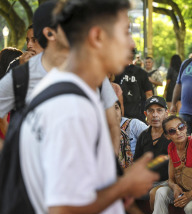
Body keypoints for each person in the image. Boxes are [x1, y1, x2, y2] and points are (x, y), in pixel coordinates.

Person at [19, 0, 159, 214]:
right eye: (125, 33)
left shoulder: (68, 91)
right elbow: (62, 212)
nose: (132, 43)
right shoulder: (72, 109)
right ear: (97, 37)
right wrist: (125, 186)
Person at [0, 0, 121, 154]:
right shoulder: (18, 66)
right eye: (28, 40)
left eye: (35, 40)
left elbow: (112, 121)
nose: (29, 45)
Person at [114, 47, 153, 122]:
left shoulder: (116, 72)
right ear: (134, 56)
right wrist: (149, 114)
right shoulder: (142, 73)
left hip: (121, 116)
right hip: (139, 115)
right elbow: (149, 94)